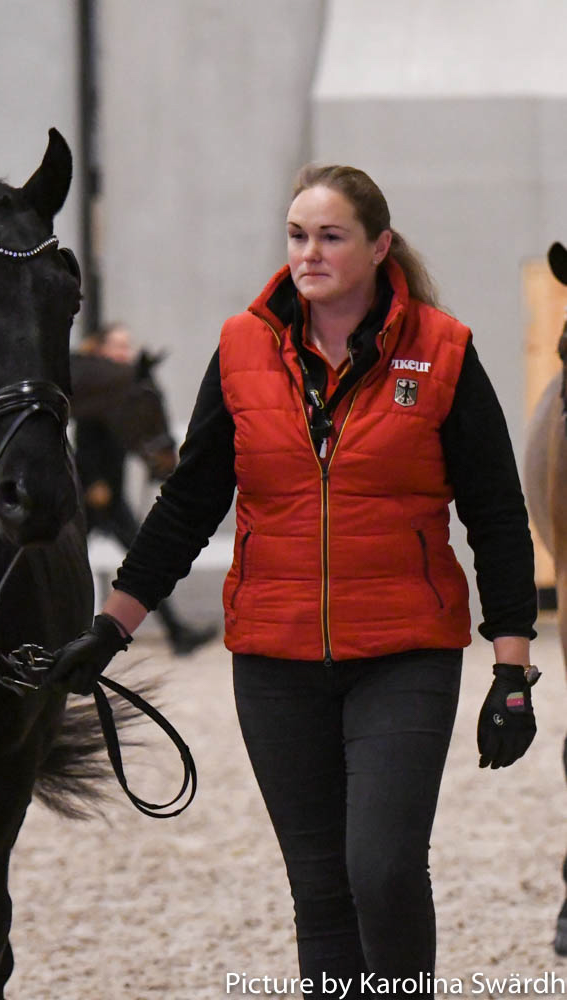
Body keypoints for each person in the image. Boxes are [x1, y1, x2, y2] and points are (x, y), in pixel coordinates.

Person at [46, 165, 539, 992]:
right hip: (274, 661)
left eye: (331, 236)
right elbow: (190, 501)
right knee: (321, 893)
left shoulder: (443, 351)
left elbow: (495, 512)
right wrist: (112, 625)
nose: (309, 253)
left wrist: (513, 670)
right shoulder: (243, 348)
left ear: (378, 247)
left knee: (382, 868)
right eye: (297, 236)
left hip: (404, 652)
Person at [71, 322, 217, 656]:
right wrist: (94, 483)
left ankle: (176, 631)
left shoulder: (117, 390)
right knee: (140, 559)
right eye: (118, 345)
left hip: (110, 494)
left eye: (128, 345)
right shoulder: (98, 392)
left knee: (141, 559)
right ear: (101, 350)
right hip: (97, 494)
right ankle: (175, 632)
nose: (126, 352)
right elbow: (86, 443)